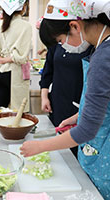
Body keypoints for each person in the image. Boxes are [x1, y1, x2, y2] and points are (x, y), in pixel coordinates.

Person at [20, 1, 110, 200]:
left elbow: (86, 130)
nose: (62, 47)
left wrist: (40, 146)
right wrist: (79, 115)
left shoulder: (105, 57)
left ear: (75, 26)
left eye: (60, 41)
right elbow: (108, 103)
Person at [38, 12, 93, 157]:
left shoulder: (92, 48)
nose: (61, 44)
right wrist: (44, 96)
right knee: (58, 152)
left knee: (75, 152)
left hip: (78, 107)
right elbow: (48, 70)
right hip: (57, 102)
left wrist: (80, 115)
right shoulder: (57, 44)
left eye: (61, 39)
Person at [0, 0, 32, 114]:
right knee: (18, 111)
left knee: (0, 111)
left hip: (2, 73)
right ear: (23, 7)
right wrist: (8, 59)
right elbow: (21, 57)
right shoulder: (25, 26)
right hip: (17, 74)